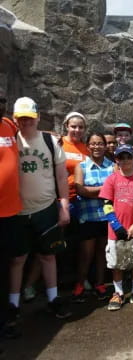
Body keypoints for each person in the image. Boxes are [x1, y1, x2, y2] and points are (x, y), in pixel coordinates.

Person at [9, 97, 71, 319]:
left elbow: (62, 177)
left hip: (45, 207)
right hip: (17, 209)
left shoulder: (50, 142)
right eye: (22, 118)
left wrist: (64, 205)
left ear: (37, 118)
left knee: (48, 255)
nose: (26, 122)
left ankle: (54, 299)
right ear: (15, 119)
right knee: (18, 259)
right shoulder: (9, 141)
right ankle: (13, 304)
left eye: (30, 118)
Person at [99, 144, 133, 311]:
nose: (125, 161)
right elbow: (107, 204)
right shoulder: (112, 179)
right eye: (121, 158)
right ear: (116, 160)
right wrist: (116, 225)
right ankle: (118, 292)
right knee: (117, 264)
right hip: (116, 230)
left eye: (128, 157)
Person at [71, 133, 114, 302]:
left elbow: (114, 190)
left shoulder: (112, 166)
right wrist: (105, 189)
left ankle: (100, 284)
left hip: (106, 216)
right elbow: (80, 190)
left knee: (102, 253)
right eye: (93, 144)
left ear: (105, 146)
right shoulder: (81, 166)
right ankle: (80, 284)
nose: (96, 147)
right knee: (86, 254)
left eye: (100, 143)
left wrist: (93, 191)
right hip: (87, 216)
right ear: (87, 147)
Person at [0, 89, 22, 339]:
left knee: (5, 267)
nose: (1, 106)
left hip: (10, 212)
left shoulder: (8, 125)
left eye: (3, 101)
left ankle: (4, 321)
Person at [61, 112, 89, 204]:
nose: (77, 130)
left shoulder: (86, 149)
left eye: (81, 127)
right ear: (66, 126)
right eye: (73, 126)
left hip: (80, 198)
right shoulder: (58, 143)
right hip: (61, 198)